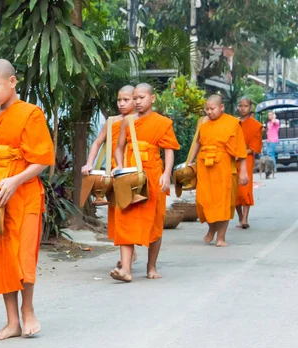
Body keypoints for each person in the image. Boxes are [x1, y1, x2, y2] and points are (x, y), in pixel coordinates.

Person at [0, 59, 54, 340]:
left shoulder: (31, 114)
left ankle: (28, 311)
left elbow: (42, 159)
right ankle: (12, 322)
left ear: (12, 82)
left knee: (24, 254)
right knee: (1, 256)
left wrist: (15, 179)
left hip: (25, 191)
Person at [110, 83, 180, 283]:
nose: (137, 101)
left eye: (141, 97)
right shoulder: (127, 122)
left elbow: (169, 150)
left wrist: (167, 174)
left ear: (152, 98)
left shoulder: (163, 123)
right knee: (125, 219)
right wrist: (120, 166)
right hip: (130, 176)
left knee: (154, 222)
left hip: (152, 176)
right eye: (135, 98)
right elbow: (118, 148)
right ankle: (126, 269)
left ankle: (151, 267)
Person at [81, 85, 137, 268]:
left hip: (135, 175)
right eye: (119, 100)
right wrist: (90, 163)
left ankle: (129, 254)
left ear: (135, 99)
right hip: (114, 174)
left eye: (126, 100)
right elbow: (97, 143)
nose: (121, 103)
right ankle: (129, 252)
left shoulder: (140, 121)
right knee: (118, 216)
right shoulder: (111, 121)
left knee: (131, 216)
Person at [187, 94, 248, 247]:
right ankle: (211, 227)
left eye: (212, 109)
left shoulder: (233, 123)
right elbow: (197, 143)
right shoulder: (204, 124)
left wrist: (243, 172)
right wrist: (189, 162)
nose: (209, 112)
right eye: (206, 109)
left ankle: (221, 237)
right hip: (204, 166)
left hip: (224, 167)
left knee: (223, 203)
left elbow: (240, 149)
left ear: (221, 107)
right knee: (204, 202)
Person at [235, 97, 263, 229]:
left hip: (246, 158)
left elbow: (254, 147)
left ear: (250, 108)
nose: (242, 108)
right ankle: (240, 217)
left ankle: (245, 218)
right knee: (234, 190)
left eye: (245, 106)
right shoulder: (233, 123)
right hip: (232, 158)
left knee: (244, 188)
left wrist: (240, 153)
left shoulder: (255, 125)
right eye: (240, 106)